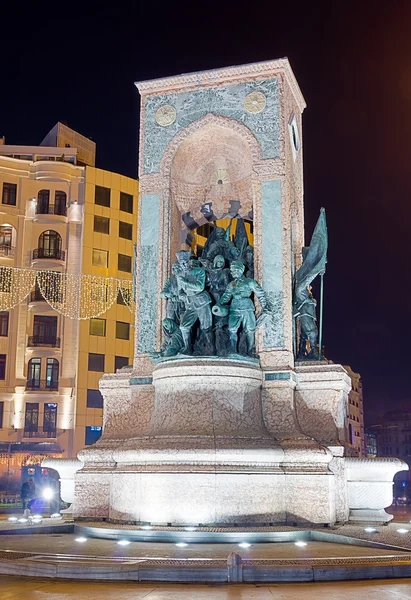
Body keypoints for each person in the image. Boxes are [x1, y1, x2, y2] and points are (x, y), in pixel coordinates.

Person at [216, 260, 268, 356]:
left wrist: (265, 306)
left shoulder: (249, 282)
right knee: (232, 328)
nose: (233, 273)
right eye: (232, 271)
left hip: (247, 307)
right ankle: (233, 350)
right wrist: (219, 304)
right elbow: (226, 296)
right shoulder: (231, 284)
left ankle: (250, 351)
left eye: (235, 270)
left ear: (241, 270)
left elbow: (260, 294)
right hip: (234, 307)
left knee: (250, 329)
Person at [175, 250, 214, 355]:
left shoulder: (199, 271)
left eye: (185, 262)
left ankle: (212, 348)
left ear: (189, 262)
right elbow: (180, 291)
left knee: (206, 328)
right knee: (184, 326)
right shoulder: (179, 275)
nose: (184, 264)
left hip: (202, 302)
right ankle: (188, 348)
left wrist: (185, 282)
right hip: (190, 304)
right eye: (181, 263)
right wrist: (181, 295)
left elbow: (200, 287)